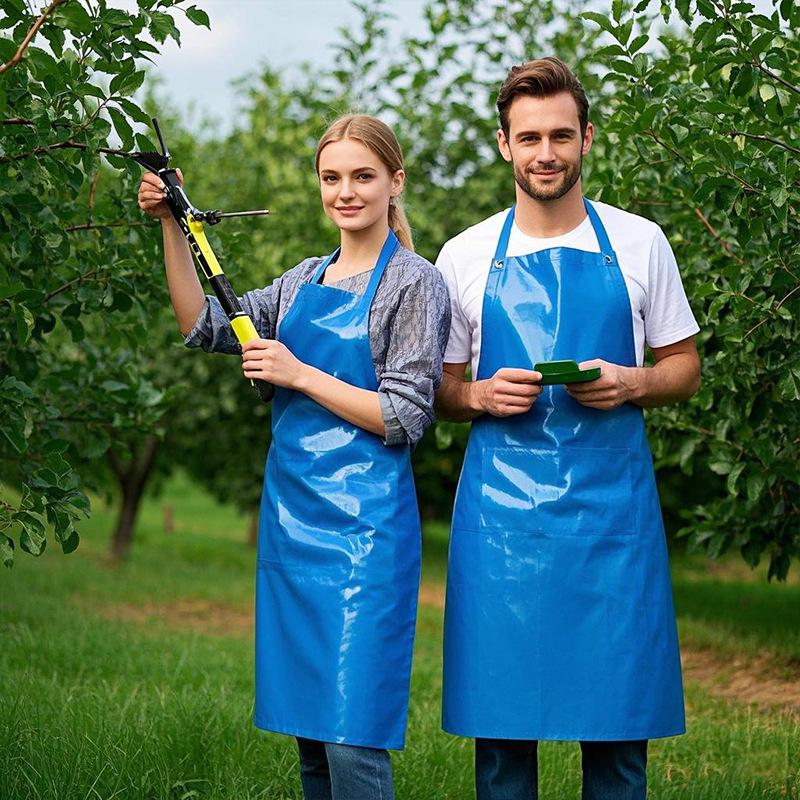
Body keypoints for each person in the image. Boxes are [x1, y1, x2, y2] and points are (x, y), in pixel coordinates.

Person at [137, 114, 450, 800]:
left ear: (394, 183)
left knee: (351, 742)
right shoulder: (301, 279)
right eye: (332, 177)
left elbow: (404, 414)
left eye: (363, 177)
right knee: (310, 740)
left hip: (365, 538)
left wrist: (300, 372)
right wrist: (171, 222)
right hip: (294, 526)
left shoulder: (415, 285)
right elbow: (204, 324)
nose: (346, 192)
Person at [434, 57, 701, 800]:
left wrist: (633, 381)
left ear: (587, 139)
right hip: (504, 528)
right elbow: (442, 390)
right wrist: (482, 395)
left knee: (618, 735)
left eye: (560, 135)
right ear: (503, 145)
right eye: (528, 138)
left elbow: (684, 366)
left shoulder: (641, 242)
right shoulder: (464, 254)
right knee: (502, 740)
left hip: (611, 522)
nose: (544, 152)